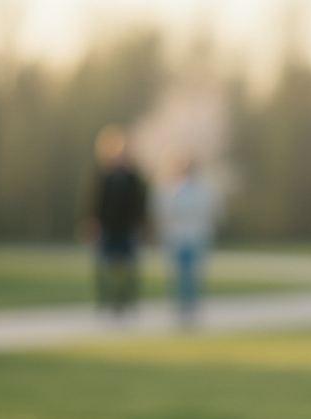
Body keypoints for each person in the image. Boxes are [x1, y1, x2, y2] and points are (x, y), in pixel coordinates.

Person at [87, 125, 148, 317]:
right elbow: (93, 201)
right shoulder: (102, 176)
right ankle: (105, 301)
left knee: (129, 268)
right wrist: (92, 223)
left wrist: (141, 226)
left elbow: (140, 204)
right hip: (107, 228)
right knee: (104, 267)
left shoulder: (133, 178)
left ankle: (126, 301)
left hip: (127, 229)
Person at [155, 151, 219, 326]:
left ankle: (192, 310)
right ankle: (181, 310)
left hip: (195, 236)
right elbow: (162, 212)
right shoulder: (169, 188)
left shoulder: (202, 188)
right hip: (176, 237)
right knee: (179, 275)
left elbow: (209, 211)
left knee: (192, 275)